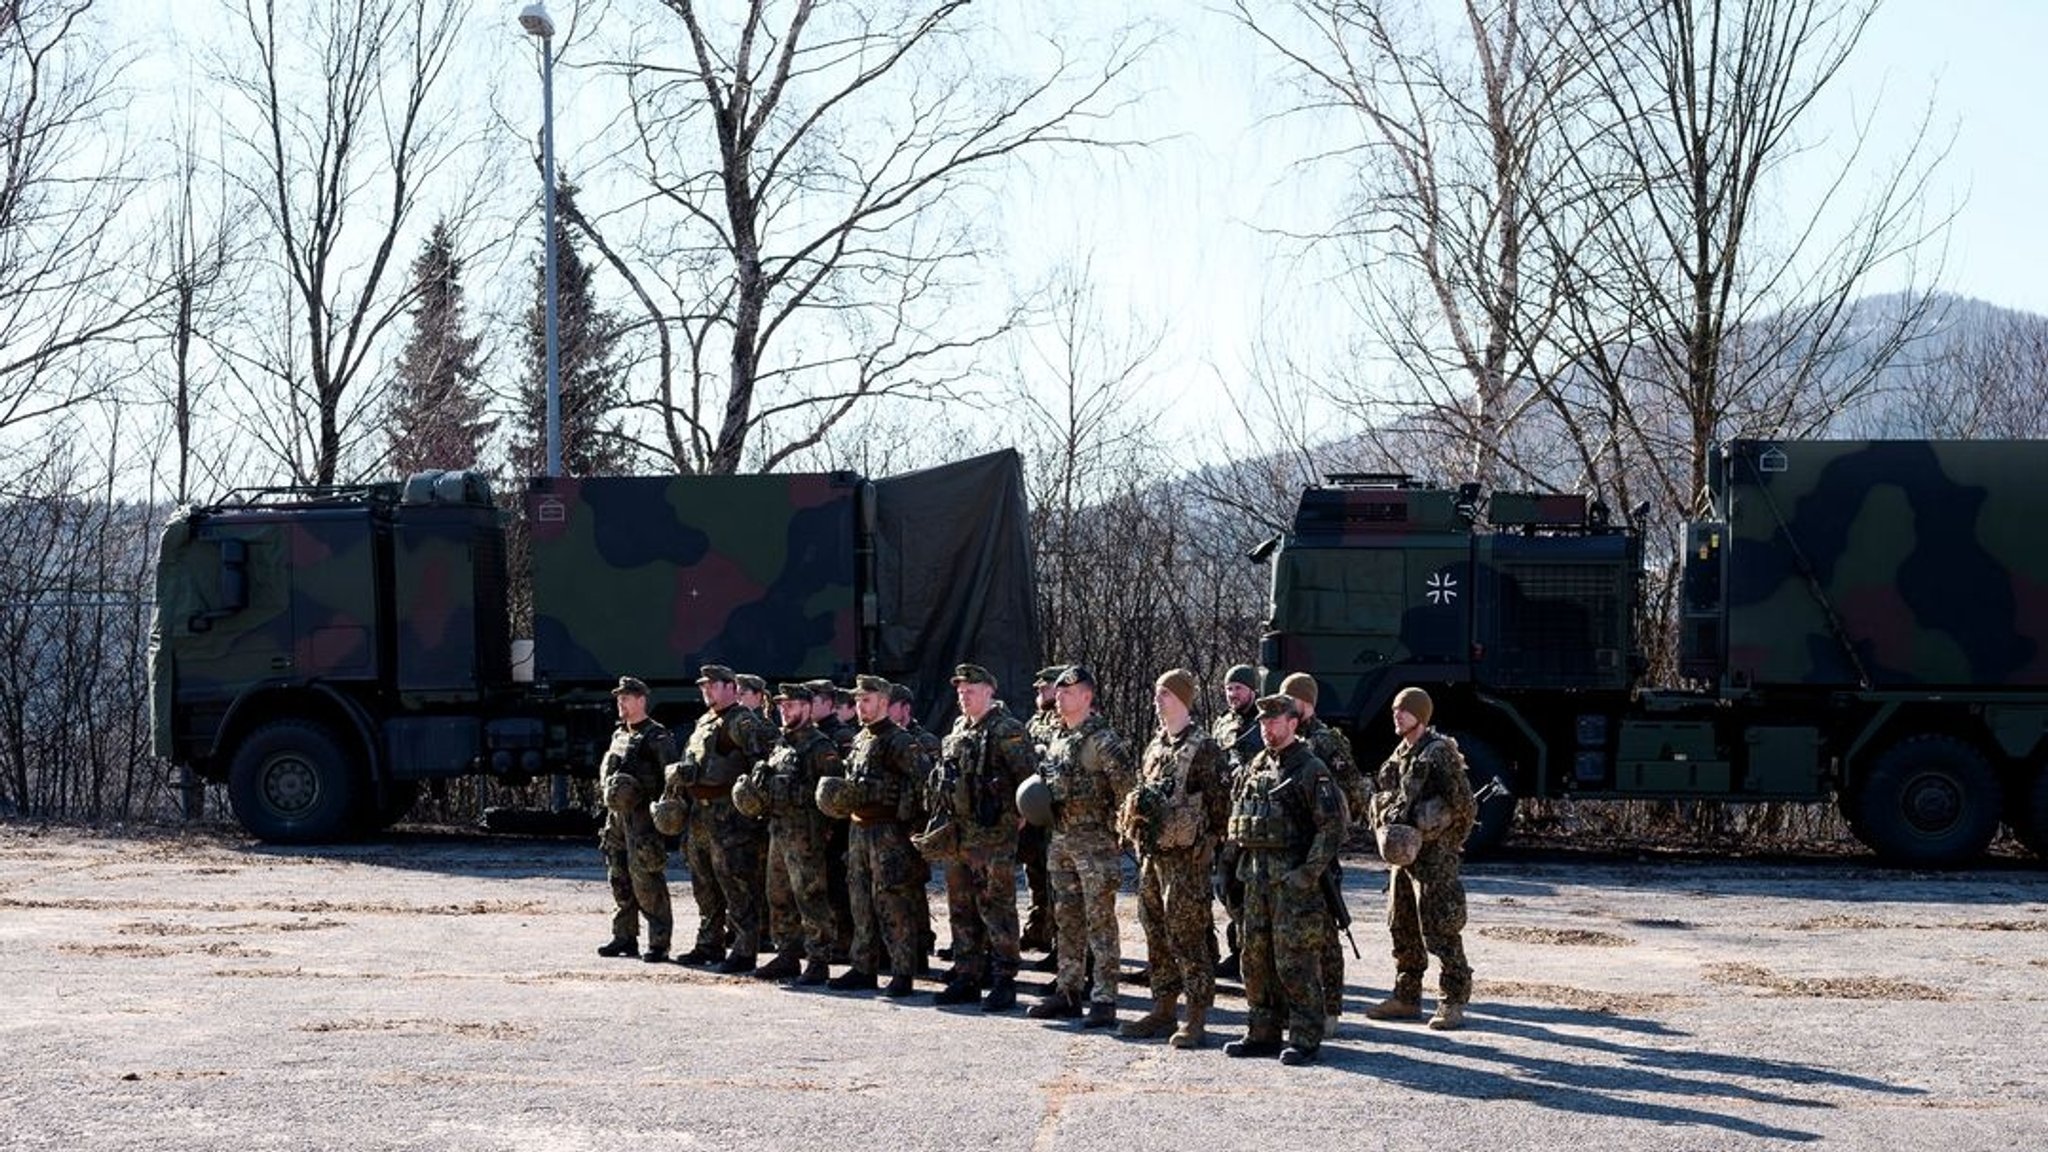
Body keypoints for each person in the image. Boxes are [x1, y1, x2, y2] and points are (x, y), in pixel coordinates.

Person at [1223, 693, 1344, 1066]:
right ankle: (1263, 1030)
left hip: (1292, 883)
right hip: (1255, 879)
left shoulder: (1310, 769)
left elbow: (1332, 828)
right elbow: (1237, 820)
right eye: (1262, 723)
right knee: (1254, 957)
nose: (1267, 729)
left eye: (1274, 723)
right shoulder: (1255, 766)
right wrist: (1227, 870)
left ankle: (1306, 1035)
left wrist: (1306, 875)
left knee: (1294, 961)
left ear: (1293, 724)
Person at [1119, 669, 1230, 1048]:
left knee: (1188, 936)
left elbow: (1220, 807)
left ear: (1183, 699)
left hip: (1186, 859)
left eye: (1164, 693)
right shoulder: (1156, 746)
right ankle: (1163, 1008)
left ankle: (1196, 1015)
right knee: (1155, 930)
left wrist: (1209, 846)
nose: (1157, 700)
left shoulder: (1204, 748)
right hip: (1153, 857)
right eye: (1156, 692)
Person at [1026, 665, 1135, 1029]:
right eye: (1058, 693)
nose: (1060, 698)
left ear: (1087, 697)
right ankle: (1068, 991)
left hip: (1095, 846)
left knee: (1100, 922)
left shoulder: (1103, 740)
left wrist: (1122, 836)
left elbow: (1127, 792)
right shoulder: (1057, 737)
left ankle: (1104, 998)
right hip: (1061, 841)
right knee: (1066, 919)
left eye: (1068, 693)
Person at [1365, 686, 1478, 1031]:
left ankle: (1453, 1000)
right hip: (1404, 858)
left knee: (1441, 930)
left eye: (1404, 710)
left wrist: (1446, 843)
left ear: (1421, 716)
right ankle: (1406, 997)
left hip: (1434, 857)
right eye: (1395, 709)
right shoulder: (1401, 754)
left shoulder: (1437, 753)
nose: (1396, 715)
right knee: (1402, 927)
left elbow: (1465, 805)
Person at [925, 664, 1037, 1012]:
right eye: (960, 690)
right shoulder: (959, 729)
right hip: (960, 834)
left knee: (997, 907)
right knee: (960, 907)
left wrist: (1019, 819)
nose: (963, 695)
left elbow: (1028, 781)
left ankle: (1004, 979)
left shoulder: (1008, 730)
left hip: (992, 837)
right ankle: (967, 974)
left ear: (990, 690)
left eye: (970, 689)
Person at [828, 674, 931, 997]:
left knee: (892, 901)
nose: (860, 707)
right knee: (859, 900)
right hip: (859, 829)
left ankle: (902, 972)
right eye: (858, 701)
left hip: (889, 832)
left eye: (867, 701)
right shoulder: (861, 739)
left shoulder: (899, 742)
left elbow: (923, 784)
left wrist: (909, 823)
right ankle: (864, 967)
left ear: (884, 703)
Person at [1279, 671, 1370, 1035]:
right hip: (1287, 847)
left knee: (1325, 934)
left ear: (1307, 703)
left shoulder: (1326, 742)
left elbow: (1352, 795)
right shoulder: (1283, 738)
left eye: (1292, 699)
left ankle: (1330, 1008)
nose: (1285, 704)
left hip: (1320, 849)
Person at [667, 664, 773, 973]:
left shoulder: (742, 721)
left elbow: (762, 764)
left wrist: (753, 802)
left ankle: (743, 949)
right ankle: (708, 943)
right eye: (704, 686)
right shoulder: (704, 722)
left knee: (736, 882)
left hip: (730, 815)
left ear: (731, 688)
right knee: (704, 883)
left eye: (713, 686)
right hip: (700, 813)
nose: (707, 691)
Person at [751, 683, 844, 985]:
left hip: (806, 835)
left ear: (806, 708)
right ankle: (787, 954)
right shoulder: (781, 745)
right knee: (777, 895)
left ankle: (818, 960)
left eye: (790, 705)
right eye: (781, 705)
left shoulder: (821, 747)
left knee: (810, 896)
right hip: (778, 831)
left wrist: (790, 791)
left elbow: (833, 796)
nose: (784, 710)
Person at [596, 676, 677, 962]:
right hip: (616, 819)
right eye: (619, 699)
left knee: (647, 878)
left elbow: (670, 779)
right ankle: (624, 936)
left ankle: (659, 942)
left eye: (626, 699)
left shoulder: (657, 737)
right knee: (618, 876)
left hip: (642, 818)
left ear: (641, 700)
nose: (621, 704)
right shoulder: (619, 735)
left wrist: (665, 814)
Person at [1210, 664, 1263, 980]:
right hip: (1225, 818)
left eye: (1238, 689)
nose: (1232, 695)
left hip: (1252, 819)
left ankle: (1251, 954)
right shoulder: (1222, 723)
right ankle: (1236, 950)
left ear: (1252, 690)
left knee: (1248, 888)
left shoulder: (1264, 722)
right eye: (1229, 689)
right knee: (1226, 886)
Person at [890, 682, 942, 970]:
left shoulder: (925, 742)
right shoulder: (884, 738)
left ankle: (921, 946)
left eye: (890, 706)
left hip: (915, 824)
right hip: (890, 824)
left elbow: (930, 787)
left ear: (905, 709)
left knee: (913, 887)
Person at [1018, 665, 1067, 961]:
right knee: (1035, 876)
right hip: (1036, 811)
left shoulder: (1069, 721)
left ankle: (1063, 945)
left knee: (1058, 883)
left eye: (1045, 687)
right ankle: (1038, 930)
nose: (1040, 692)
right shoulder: (1035, 722)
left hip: (1058, 814)